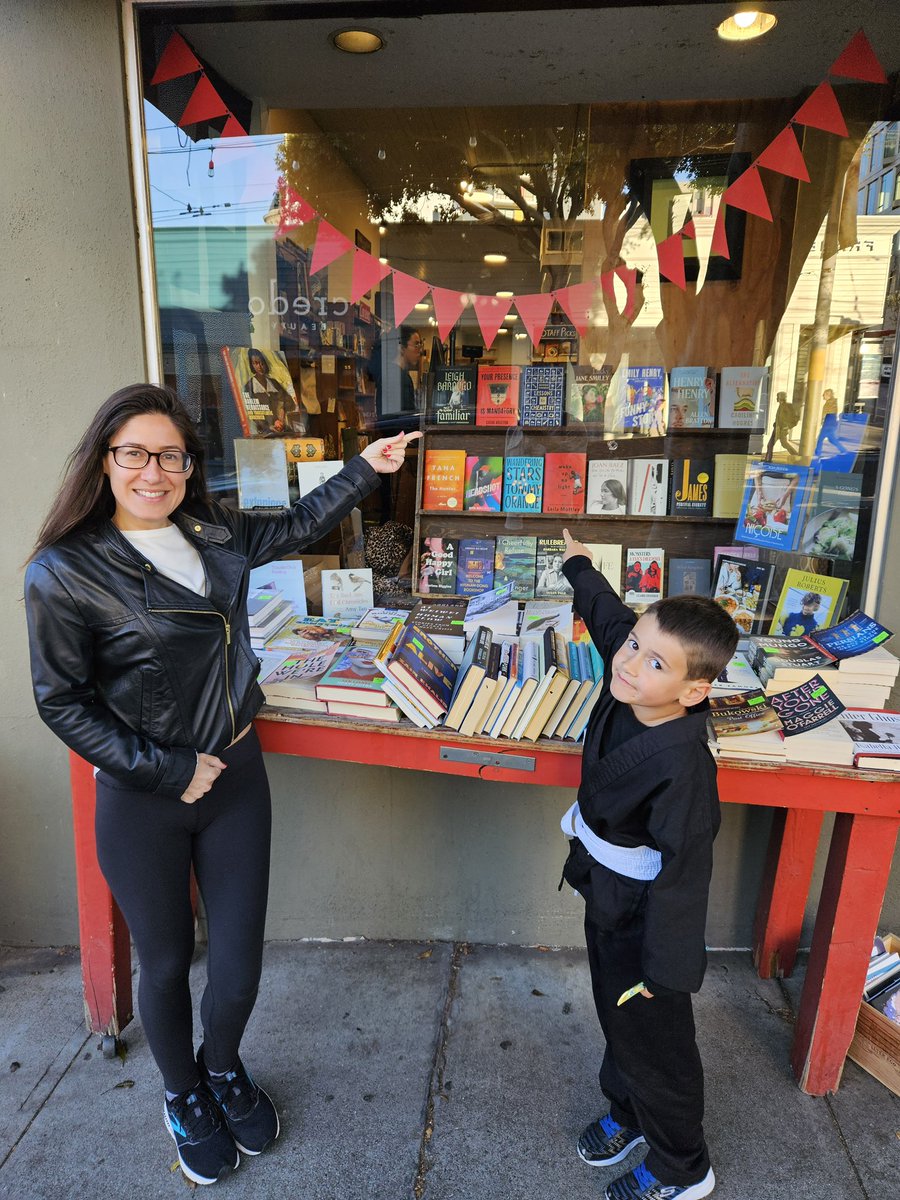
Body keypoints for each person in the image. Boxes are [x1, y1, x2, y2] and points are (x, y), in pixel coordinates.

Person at [24, 384, 420, 1187]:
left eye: (170, 455)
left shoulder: (209, 528)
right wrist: (169, 768)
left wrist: (365, 470)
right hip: (146, 795)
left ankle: (225, 1065)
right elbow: (59, 700)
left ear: (189, 466)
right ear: (103, 462)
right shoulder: (63, 570)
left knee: (237, 964)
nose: (152, 471)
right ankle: (183, 1094)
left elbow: (292, 527)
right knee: (167, 964)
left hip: (238, 773)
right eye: (133, 453)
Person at [558, 527, 738, 1200]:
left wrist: (667, 973)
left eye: (657, 663)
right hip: (607, 896)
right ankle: (629, 1112)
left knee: (656, 1041)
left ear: (693, 691)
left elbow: (685, 877)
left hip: (647, 924)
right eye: (637, 645)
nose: (632, 664)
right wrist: (580, 564)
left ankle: (681, 1168)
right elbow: (609, 617)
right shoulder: (631, 681)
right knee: (615, 1014)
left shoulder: (682, 768)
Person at [243, 348, 299, 435]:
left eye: (262, 363)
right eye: (256, 363)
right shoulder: (249, 386)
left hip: (281, 427)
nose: (259, 367)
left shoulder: (274, 383)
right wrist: (269, 427)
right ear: (251, 365)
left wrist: (281, 409)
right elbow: (253, 413)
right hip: (261, 432)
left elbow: (290, 403)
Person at [764, 391, 800, 459]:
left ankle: (796, 456)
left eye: (777, 397)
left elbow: (796, 418)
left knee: (783, 444)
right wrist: (775, 423)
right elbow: (780, 417)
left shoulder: (788, 406)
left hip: (782, 429)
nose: (776, 398)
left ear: (781, 397)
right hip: (777, 428)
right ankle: (768, 459)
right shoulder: (781, 406)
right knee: (771, 444)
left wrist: (788, 426)